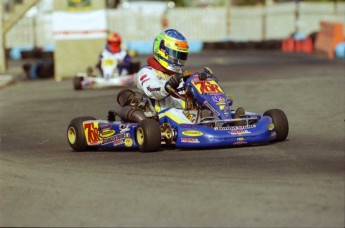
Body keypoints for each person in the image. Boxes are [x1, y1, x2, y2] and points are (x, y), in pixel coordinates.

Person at [136, 28, 245, 126]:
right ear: (163, 50)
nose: (179, 59)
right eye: (177, 54)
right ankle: (201, 128)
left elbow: (188, 93)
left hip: (185, 113)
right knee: (172, 112)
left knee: (204, 105)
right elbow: (152, 90)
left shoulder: (180, 74)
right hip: (159, 116)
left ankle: (229, 120)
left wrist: (204, 82)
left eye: (182, 55)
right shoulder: (146, 72)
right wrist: (167, 86)